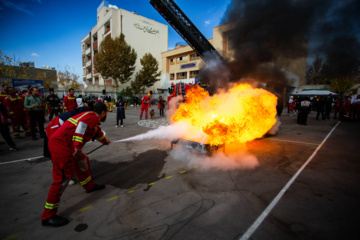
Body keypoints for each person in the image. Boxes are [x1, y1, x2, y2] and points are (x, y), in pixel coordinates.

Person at [41, 103, 110, 227]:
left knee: (82, 161)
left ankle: (89, 186)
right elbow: (81, 127)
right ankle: (48, 216)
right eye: (107, 113)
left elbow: (97, 132)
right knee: (61, 180)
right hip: (61, 147)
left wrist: (105, 141)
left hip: (66, 146)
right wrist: (77, 146)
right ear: (103, 112)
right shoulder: (93, 116)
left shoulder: (91, 118)